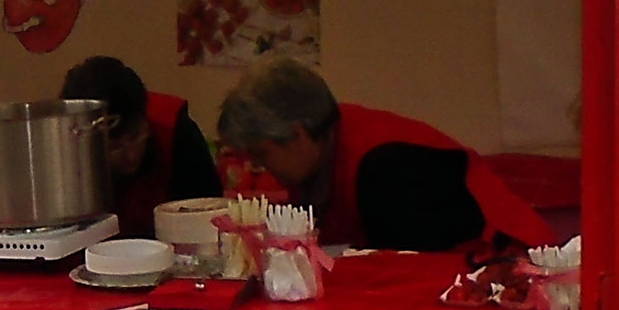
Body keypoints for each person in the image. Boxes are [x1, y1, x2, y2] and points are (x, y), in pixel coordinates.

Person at [215, 55, 549, 253]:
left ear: (297, 134)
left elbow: (411, 278)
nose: (260, 168)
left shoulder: (387, 170)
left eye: (262, 153)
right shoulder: (326, 144)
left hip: (515, 272)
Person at [62, 56, 220, 237]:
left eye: (135, 135)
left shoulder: (176, 132)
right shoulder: (66, 152)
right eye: (114, 147)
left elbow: (210, 216)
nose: (130, 155)